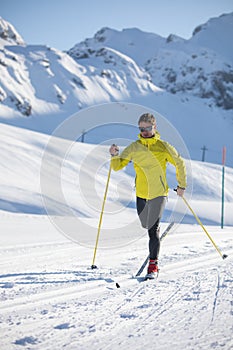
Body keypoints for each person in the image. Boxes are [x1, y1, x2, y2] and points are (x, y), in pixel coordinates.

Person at [109, 113, 187, 278]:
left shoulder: (163, 147)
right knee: (145, 224)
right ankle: (155, 237)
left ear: (154, 127)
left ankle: (153, 265)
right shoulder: (134, 147)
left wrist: (182, 185)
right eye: (141, 128)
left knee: (152, 229)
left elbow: (179, 163)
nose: (144, 131)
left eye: (147, 128)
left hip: (159, 194)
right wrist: (115, 155)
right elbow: (118, 166)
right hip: (142, 194)